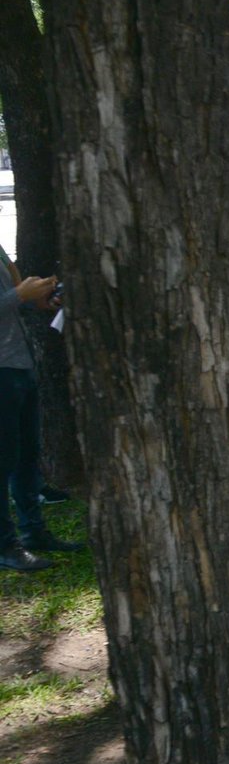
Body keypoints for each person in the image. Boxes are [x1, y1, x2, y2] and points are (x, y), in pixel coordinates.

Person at [0, 245, 78, 572]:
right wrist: (20, 294)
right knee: (3, 460)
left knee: (26, 454)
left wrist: (38, 299)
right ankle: (6, 546)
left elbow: (12, 303)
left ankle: (33, 531)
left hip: (19, 364)